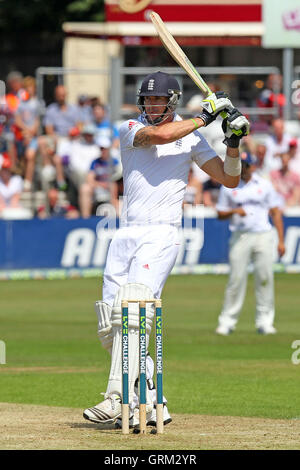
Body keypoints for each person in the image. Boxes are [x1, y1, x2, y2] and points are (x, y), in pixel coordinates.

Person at [82, 71, 249, 428]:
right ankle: (155, 400)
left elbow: (230, 178)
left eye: (159, 100)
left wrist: (232, 141)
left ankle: (115, 398)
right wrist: (206, 116)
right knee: (109, 323)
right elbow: (160, 135)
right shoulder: (130, 127)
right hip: (126, 233)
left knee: (132, 308)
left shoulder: (192, 139)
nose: (152, 105)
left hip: (162, 234)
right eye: (148, 99)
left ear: (171, 101)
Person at [215, 153, 285, 336]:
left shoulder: (264, 185)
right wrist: (234, 211)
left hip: (263, 235)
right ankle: (227, 321)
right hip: (241, 236)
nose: (243, 168)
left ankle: (265, 321)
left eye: (246, 165)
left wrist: (281, 240)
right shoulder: (229, 186)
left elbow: (276, 212)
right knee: (236, 279)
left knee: (264, 278)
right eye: (241, 164)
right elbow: (220, 213)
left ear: (253, 166)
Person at [79, 136, 120, 218]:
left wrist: (108, 184)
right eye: (101, 148)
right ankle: (85, 217)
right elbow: (90, 179)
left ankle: (119, 217)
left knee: (113, 186)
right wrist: (101, 185)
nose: (103, 151)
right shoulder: (95, 162)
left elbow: (118, 178)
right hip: (98, 187)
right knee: (85, 188)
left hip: (112, 187)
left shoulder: (115, 162)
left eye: (105, 148)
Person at [14, 76, 42, 191]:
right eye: (28, 87)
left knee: (30, 155)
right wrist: (26, 131)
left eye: (31, 87)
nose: (30, 90)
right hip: (23, 135)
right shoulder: (20, 103)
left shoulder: (37, 103)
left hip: (33, 136)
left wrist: (30, 133)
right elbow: (17, 120)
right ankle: (20, 178)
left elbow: (37, 121)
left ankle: (28, 181)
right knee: (21, 157)